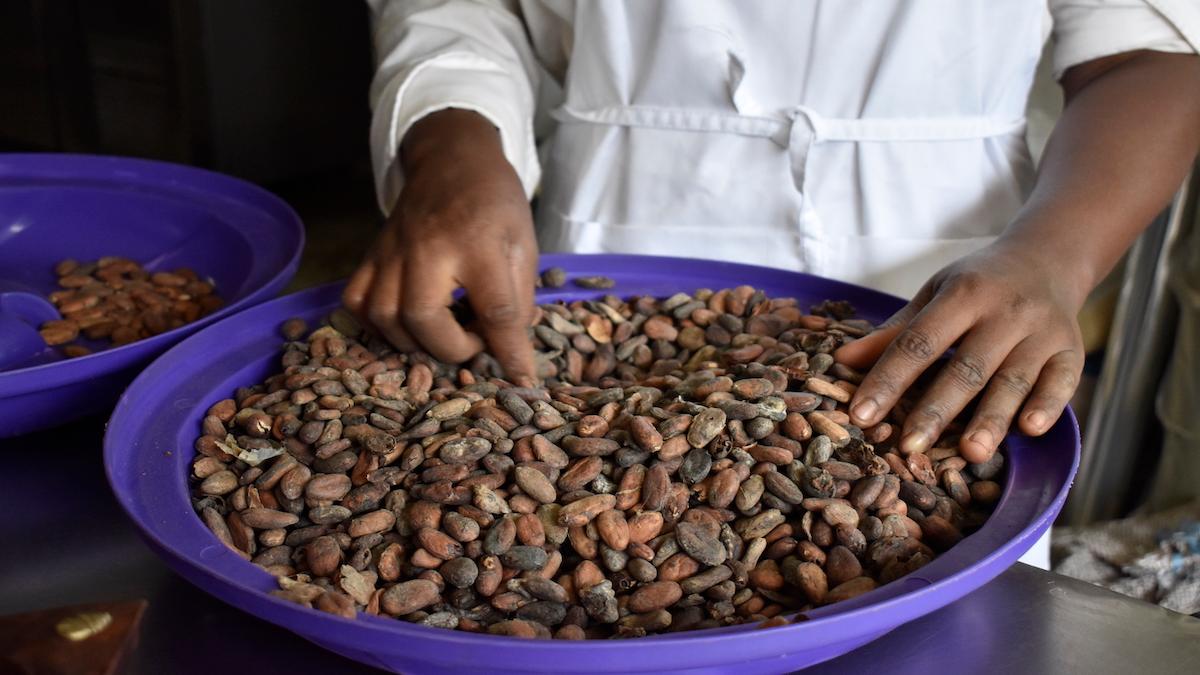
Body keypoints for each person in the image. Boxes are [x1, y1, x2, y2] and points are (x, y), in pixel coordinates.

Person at [347, 1, 1200, 565]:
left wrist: (1054, 255)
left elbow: (1155, 52)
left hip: (950, 298)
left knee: (923, 598)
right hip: (599, 274)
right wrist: (450, 133)